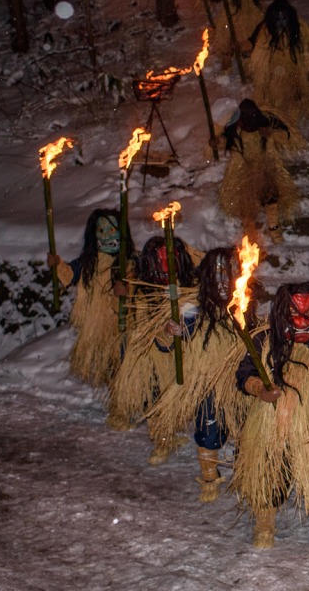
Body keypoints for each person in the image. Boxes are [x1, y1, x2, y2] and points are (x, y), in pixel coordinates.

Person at [231, 281, 309, 558]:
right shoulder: (264, 341)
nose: (302, 321)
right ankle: (264, 527)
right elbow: (243, 374)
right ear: (281, 312)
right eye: (294, 312)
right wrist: (259, 388)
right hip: (272, 424)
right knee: (270, 473)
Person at [146, 247, 253, 502]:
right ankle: (209, 478)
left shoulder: (243, 308)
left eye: (227, 274)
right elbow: (166, 344)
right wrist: (169, 331)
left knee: (244, 428)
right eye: (215, 274)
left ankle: (245, 473)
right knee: (208, 428)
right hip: (206, 383)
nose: (221, 281)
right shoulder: (192, 310)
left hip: (237, 382)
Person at [107, 235, 201, 466]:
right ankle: (162, 439)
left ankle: (169, 431)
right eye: (160, 259)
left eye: (172, 258)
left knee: (173, 393)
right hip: (148, 353)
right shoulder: (141, 288)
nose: (167, 265)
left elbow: (196, 312)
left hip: (182, 351)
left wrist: (181, 302)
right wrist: (121, 294)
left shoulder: (190, 284)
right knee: (154, 394)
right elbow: (133, 316)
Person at [47, 208, 133, 388]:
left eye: (111, 230)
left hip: (124, 326)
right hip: (98, 326)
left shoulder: (131, 262)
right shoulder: (88, 263)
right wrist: (57, 265)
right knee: (110, 367)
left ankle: (125, 399)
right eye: (101, 231)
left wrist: (126, 292)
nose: (107, 236)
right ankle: (117, 397)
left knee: (125, 363)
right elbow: (69, 275)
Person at [217, 98, 303, 244]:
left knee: (270, 197)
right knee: (246, 204)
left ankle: (273, 229)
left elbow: (286, 135)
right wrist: (216, 142)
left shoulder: (266, 123)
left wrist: (270, 133)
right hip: (243, 169)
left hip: (264, 166)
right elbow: (224, 141)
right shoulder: (234, 128)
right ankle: (249, 234)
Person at [245, 0, 309, 124]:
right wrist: (262, 77)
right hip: (274, 73)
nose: (281, 23)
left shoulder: (299, 29)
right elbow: (260, 55)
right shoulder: (265, 32)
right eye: (278, 19)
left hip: (294, 70)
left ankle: (292, 121)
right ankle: (277, 119)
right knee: (274, 99)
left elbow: (307, 51)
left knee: (295, 97)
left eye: (284, 19)